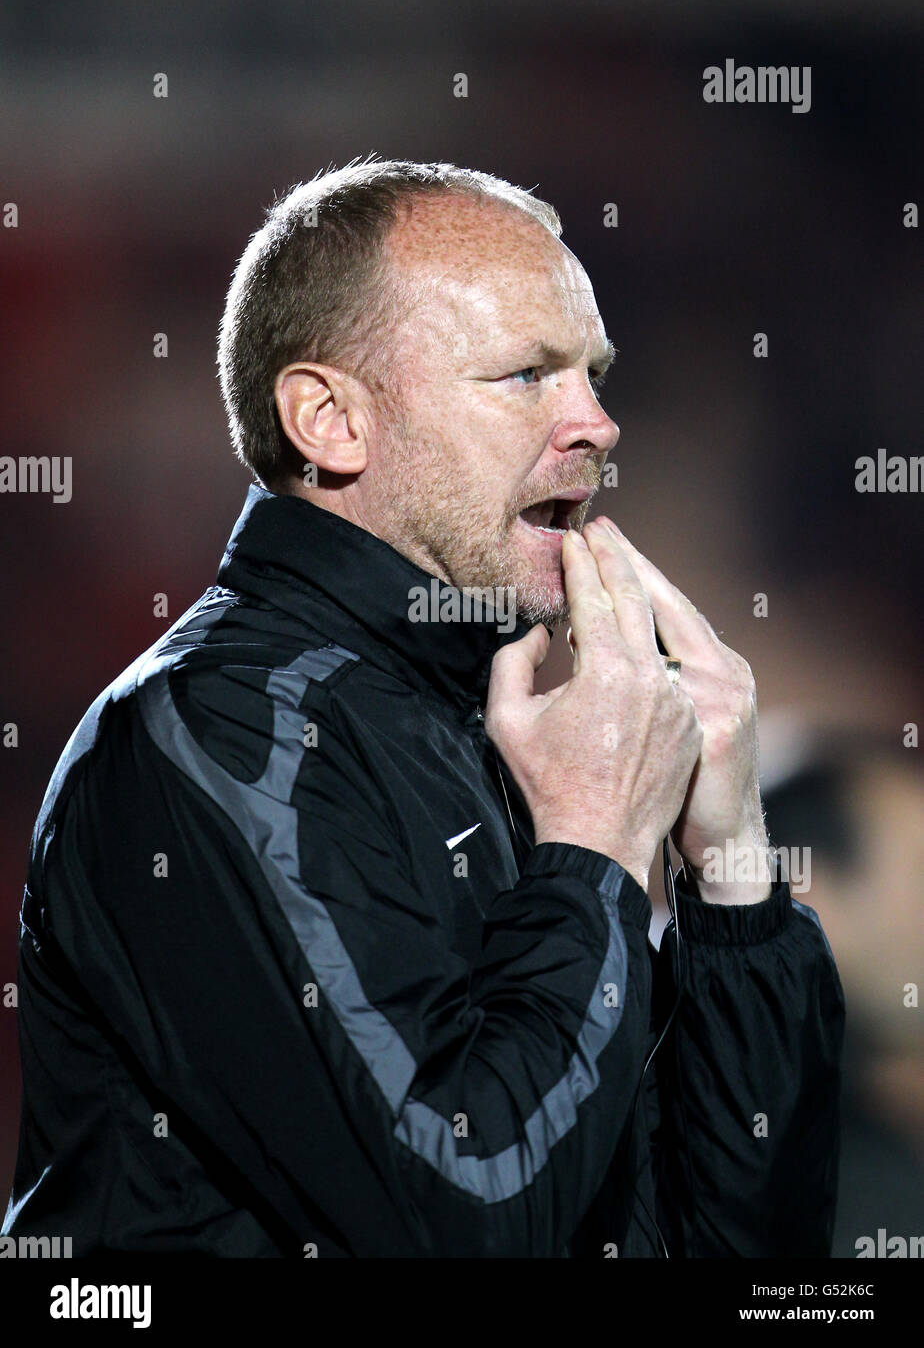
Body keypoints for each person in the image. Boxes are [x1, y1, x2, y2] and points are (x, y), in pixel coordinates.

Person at [2, 157, 844, 1257]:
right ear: (330, 421)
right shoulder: (226, 732)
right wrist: (590, 843)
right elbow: (469, 1218)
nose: (598, 421)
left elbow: (752, 1264)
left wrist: (731, 879)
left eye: (594, 373)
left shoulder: (510, 725)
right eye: (527, 374)